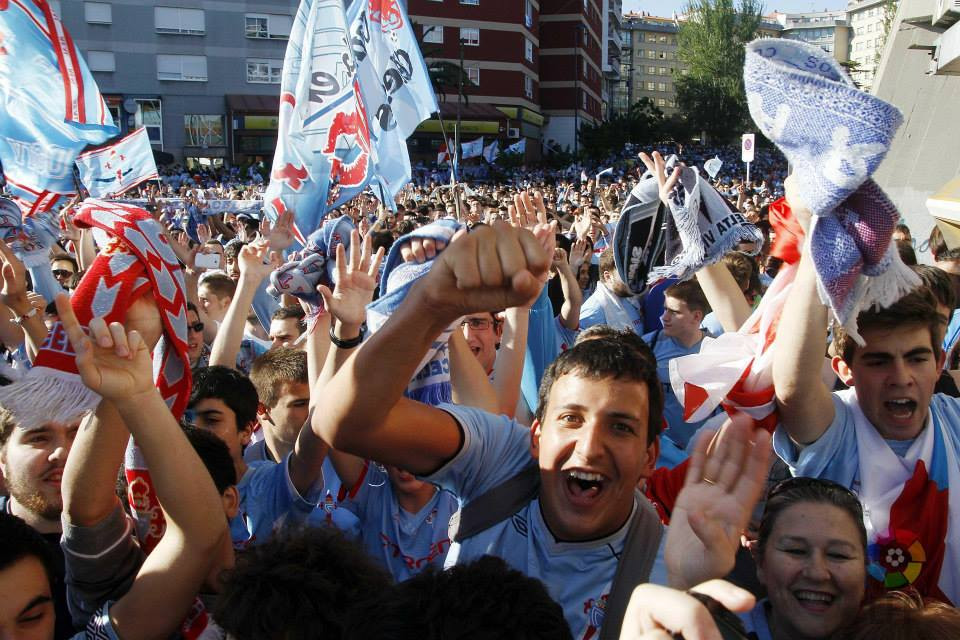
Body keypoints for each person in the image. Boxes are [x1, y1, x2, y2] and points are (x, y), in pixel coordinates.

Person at [312, 223, 771, 636]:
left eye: (621, 427)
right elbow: (345, 424)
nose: (589, 447)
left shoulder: (668, 564)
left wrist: (689, 587)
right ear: (535, 436)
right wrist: (435, 302)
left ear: (651, 457)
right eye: (571, 419)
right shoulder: (501, 461)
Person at [772, 176, 960, 605]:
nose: (901, 376)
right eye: (878, 361)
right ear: (845, 369)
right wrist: (814, 232)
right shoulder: (838, 429)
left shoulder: (955, 421)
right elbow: (795, 386)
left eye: (916, 358)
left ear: (939, 363)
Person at [742, 477, 867, 640]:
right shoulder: (709, 629)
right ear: (760, 562)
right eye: (796, 551)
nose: (817, 573)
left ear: (866, 568)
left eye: (838, 554)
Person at [0, 406, 78, 639]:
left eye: (77, 434)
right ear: (2, 458)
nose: (62, 452)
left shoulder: (143, 539)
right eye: (39, 438)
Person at [643, 279, 718, 468]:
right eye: (665, 309)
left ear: (696, 316)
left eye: (674, 312)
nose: (664, 317)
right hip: (660, 456)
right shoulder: (647, 346)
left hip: (703, 457)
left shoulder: (718, 351)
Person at [579, 248, 644, 334]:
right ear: (608, 276)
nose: (632, 279)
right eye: (626, 274)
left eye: (634, 272)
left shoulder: (630, 299)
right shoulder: (593, 310)